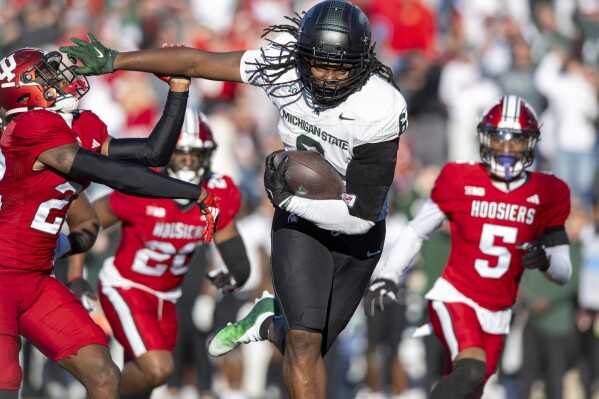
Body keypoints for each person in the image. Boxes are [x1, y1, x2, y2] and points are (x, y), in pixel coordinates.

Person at [59, 1, 408, 398]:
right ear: (301, 55)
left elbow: (361, 215)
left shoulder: (380, 104)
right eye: (319, 63)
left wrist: (288, 201)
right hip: (302, 226)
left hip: (354, 228)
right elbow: (194, 62)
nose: (328, 76)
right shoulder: (284, 67)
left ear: (362, 63)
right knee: (305, 344)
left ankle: (267, 322)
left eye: (340, 66)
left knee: (308, 344)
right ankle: (283, 326)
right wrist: (116, 59)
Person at [0, 47, 219, 399]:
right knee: (7, 384)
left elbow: (153, 153)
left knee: (104, 374)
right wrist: (193, 191)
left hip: (37, 278)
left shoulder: (75, 125)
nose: (63, 78)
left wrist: (178, 90)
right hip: (2, 276)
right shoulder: (30, 127)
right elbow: (116, 175)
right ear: (25, 89)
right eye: (48, 75)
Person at [363, 95, 573, 399]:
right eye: (498, 140)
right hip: (456, 296)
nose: (505, 149)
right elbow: (416, 230)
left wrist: (545, 261)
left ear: (529, 144)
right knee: (471, 368)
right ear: (484, 139)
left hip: (499, 312)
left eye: (514, 142)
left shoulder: (548, 191)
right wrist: (390, 274)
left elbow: (563, 269)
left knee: (469, 388)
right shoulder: (460, 178)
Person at [68, 107, 250, 399]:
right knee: (158, 369)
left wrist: (237, 274)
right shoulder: (143, 186)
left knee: (144, 380)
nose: (189, 162)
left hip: (168, 298)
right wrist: (76, 275)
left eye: (196, 154)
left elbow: (231, 243)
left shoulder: (218, 192)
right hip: (126, 287)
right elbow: (88, 222)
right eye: (182, 153)